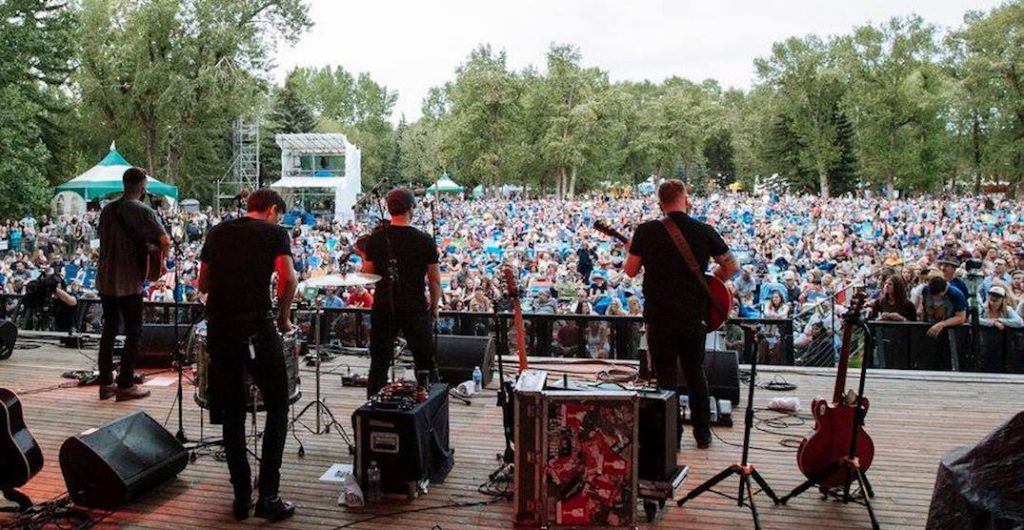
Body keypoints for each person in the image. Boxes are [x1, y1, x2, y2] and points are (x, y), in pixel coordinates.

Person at [198, 188, 298, 521]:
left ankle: (241, 495)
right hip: (256, 325)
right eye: (279, 214)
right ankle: (268, 494)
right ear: (272, 209)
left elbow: (203, 284)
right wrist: (284, 318)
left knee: (232, 412)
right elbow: (289, 278)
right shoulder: (275, 233)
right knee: (279, 405)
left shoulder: (217, 231)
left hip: (220, 328)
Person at [623, 180, 739, 449]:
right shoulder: (703, 230)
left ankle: (671, 439)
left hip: (660, 316)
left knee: (665, 376)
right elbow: (732, 266)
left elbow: (630, 271)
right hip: (693, 315)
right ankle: (703, 434)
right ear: (686, 199)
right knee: (695, 372)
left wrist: (634, 249)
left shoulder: (646, 231)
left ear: (660, 202)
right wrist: (711, 280)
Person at [96, 167, 169, 401]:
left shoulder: (107, 209)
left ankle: (106, 382)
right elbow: (164, 239)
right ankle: (125, 384)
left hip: (106, 279)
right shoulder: (141, 210)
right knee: (134, 331)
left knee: (108, 330)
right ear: (142, 186)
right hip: (128, 281)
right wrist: (159, 260)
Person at [362, 188, 441, 397]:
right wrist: (434, 308)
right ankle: (429, 406)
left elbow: (367, 275)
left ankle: (373, 407)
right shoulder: (424, 240)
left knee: (379, 362)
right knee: (425, 362)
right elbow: (434, 280)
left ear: (388, 209)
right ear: (411, 208)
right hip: (414, 306)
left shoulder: (376, 238)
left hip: (384, 305)